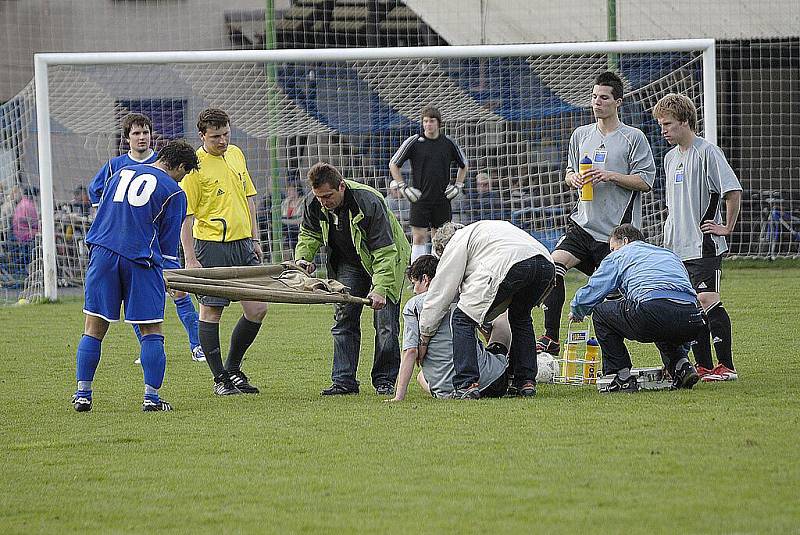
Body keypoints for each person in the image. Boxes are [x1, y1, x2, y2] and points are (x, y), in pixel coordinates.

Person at [71, 140, 199, 413]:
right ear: (177, 166)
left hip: (102, 253)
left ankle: (83, 394)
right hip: (140, 261)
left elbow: (102, 209)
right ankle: (151, 398)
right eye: (184, 173)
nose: (183, 179)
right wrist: (168, 275)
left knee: (93, 328)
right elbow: (166, 246)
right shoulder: (174, 193)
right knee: (151, 330)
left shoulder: (119, 173)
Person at [538, 71, 656, 357]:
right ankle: (550, 338)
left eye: (603, 97)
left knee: (614, 298)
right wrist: (573, 179)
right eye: (593, 97)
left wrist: (611, 176)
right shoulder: (581, 135)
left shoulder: (633, 138)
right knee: (551, 269)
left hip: (616, 234)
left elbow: (646, 181)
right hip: (582, 226)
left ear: (618, 102)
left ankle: (662, 354)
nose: (597, 102)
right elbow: (568, 171)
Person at [88, 113, 205, 364]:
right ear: (127, 138)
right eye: (136, 133)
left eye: (146, 133)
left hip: (123, 251)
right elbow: (95, 191)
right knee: (139, 313)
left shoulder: (160, 162)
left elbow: (177, 218)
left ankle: (197, 346)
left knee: (178, 295)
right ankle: (150, 385)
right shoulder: (115, 166)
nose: (142, 137)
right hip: (137, 254)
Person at [294, 162, 410, 396]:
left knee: (385, 324)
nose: (324, 202)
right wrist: (303, 258)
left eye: (328, 196)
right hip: (348, 264)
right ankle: (343, 381)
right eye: (319, 197)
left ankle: (385, 381)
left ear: (342, 187)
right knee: (343, 319)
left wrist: (380, 288)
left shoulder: (368, 202)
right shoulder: (313, 203)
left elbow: (385, 252)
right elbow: (309, 234)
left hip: (386, 259)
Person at [653, 93, 743, 381]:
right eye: (660, 125)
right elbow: (673, 205)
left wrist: (726, 227)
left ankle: (726, 366)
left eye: (667, 124)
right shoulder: (669, 158)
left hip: (703, 245)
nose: (663, 130)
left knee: (707, 299)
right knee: (691, 306)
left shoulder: (708, 152)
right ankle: (704, 366)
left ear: (684, 121)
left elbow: (732, 191)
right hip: (676, 247)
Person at [180, 108, 267, 396]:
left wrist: (255, 239)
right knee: (212, 310)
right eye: (216, 136)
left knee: (257, 309)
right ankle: (220, 379)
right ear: (202, 135)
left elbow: (249, 198)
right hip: (212, 246)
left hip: (243, 245)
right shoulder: (194, 167)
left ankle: (233, 369)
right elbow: (187, 217)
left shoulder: (236, 154)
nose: (222, 141)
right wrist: (191, 258)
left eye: (226, 134)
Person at [419, 220, 555, 399]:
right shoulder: (485, 230)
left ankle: (467, 383)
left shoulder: (456, 241)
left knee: (461, 318)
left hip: (510, 264)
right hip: (545, 263)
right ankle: (525, 381)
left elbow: (441, 291)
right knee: (520, 317)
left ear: (443, 248)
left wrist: (425, 335)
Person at [569, 224, 704, 392]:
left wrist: (578, 309)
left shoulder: (621, 255)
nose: (611, 252)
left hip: (652, 310)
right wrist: (682, 349)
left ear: (625, 241)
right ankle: (682, 367)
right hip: (692, 317)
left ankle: (622, 376)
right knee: (664, 319)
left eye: (613, 248)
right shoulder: (669, 254)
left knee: (601, 313)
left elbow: (596, 287)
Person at [389, 255, 510, 401]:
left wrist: (398, 397)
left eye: (414, 283)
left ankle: (446, 392)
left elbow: (411, 351)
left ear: (425, 279)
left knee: (421, 376)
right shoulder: (463, 297)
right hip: (492, 382)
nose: (414, 290)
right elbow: (486, 329)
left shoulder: (414, 305)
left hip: (444, 389)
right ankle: (513, 368)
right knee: (501, 318)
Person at [389, 106, 468, 263]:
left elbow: (464, 164)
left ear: (438, 123)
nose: (428, 124)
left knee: (439, 239)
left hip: (442, 199)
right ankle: (417, 275)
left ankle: (437, 273)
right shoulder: (414, 141)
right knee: (419, 237)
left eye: (431, 121)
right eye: (425, 121)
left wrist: (458, 185)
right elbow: (393, 164)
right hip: (420, 198)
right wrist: (402, 186)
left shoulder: (448, 143)